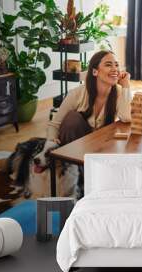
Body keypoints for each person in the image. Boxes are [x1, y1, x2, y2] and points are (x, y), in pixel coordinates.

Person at [47, 50, 132, 196]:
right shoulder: (77, 93)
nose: (115, 69)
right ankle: (75, 176)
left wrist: (126, 86)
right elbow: (55, 124)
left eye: (117, 65)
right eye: (108, 65)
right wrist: (50, 143)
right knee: (72, 118)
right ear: (95, 72)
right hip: (78, 147)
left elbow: (126, 117)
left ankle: (96, 178)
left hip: (101, 147)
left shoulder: (118, 92)